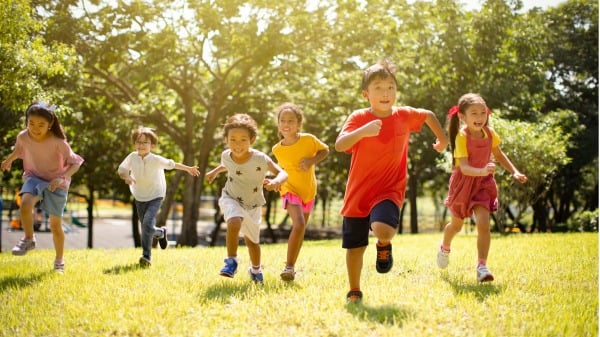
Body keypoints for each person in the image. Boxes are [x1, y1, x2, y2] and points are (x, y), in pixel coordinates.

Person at [335, 59, 448, 303]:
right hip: (358, 193)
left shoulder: (404, 115)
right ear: (366, 94)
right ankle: (354, 289)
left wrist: (443, 140)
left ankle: (383, 243)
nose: (386, 93)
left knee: (383, 229)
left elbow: (428, 115)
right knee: (355, 247)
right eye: (378, 88)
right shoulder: (358, 117)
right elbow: (340, 144)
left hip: (389, 190)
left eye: (390, 87)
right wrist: (362, 132)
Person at [436, 93, 527, 282]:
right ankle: (445, 247)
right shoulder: (461, 137)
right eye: (474, 114)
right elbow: (465, 168)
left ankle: (482, 266)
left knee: (484, 224)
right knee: (456, 225)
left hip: (483, 184)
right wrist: (484, 170)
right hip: (464, 184)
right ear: (462, 117)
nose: (479, 118)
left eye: (482, 113)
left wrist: (514, 172)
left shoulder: (490, 134)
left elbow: (499, 154)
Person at [1, 101, 84, 273]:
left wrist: (63, 178)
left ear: (50, 124)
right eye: (31, 123)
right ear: (26, 121)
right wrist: (9, 160)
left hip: (56, 182)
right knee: (25, 204)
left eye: (41, 125)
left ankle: (59, 260)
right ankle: (29, 238)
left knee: (55, 225)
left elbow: (76, 163)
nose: (35, 128)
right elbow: (19, 150)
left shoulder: (58, 142)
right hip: (34, 176)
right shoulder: (23, 136)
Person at [206, 113, 288, 284]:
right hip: (231, 197)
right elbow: (227, 165)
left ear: (252, 139)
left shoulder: (260, 158)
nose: (237, 144)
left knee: (253, 243)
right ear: (226, 140)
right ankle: (231, 261)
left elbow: (282, 172)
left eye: (243, 140)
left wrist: (275, 181)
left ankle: (256, 269)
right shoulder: (226, 155)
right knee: (234, 221)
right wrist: (215, 171)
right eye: (233, 139)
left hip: (253, 204)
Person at [117, 126, 200, 267]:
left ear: (152, 145)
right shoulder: (132, 157)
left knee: (147, 223)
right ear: (134, 144)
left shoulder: (155, 159)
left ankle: (146, 257)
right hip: (139, 196)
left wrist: (188, 169)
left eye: (145, 142)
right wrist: (127, 177)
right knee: (146, 226)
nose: (141, 145)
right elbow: (121, 169)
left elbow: (172, 164)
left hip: (156, 195)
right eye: (138, 142)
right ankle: (160, 233)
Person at [271, 103, 329, 281]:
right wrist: (274, 181)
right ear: (278, 124)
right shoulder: (276, 149)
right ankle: (288, 266)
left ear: (298, 124)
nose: (286, 124)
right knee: (299, 224)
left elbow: (325, 150)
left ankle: (291, 268)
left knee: (301, 228)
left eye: (291, 121)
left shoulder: (308, 140)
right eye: (283, 121)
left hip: (308, 191)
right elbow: (280, 169)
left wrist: (312, 160)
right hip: (289, 188)